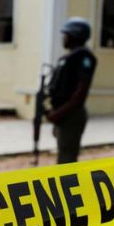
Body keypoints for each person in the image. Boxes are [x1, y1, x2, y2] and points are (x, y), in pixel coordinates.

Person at [46, 17, 98, 164]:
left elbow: (80, 93)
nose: (63, 38)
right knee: (63, 154)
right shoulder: (69, 57)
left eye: (66, 35)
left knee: (67, 159)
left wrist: (58, 114)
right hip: (64, 114)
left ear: (74, 36)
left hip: (71, 114)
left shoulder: (84, 58)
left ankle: (67, 185)